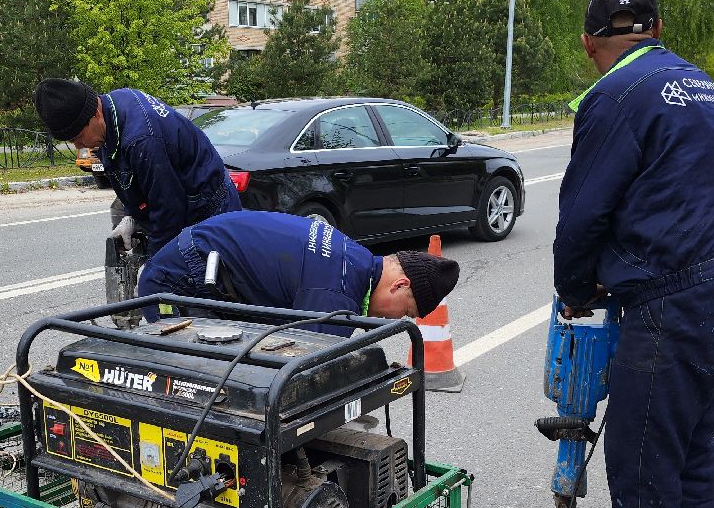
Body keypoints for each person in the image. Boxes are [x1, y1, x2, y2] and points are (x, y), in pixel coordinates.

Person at [555, 0, 714, 508]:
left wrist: (576, 289)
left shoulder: (614, 95)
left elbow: (584, 212)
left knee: (639, 448)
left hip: (669, 300)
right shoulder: (696, 82)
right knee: (690, 447)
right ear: (656, 30)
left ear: (589, 45)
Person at [136, 211, 459, 336]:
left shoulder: (356, 259)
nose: (391, 319)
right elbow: (308, 361)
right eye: (405, 311)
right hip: (181, 277)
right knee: (195, 379)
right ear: (400, 284)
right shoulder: (337, 293)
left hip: (201, 257)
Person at [34, 78, 241, 255]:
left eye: (79, 137)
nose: (79, 146)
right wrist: (131, 214)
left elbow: (169, 212)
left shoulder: (143, 139)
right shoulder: (110, 115)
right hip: (182, 201)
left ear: (95, 114)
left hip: (209, 209)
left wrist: (154, 265)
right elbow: (132, 178)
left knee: (202, 290)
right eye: (72, 142)